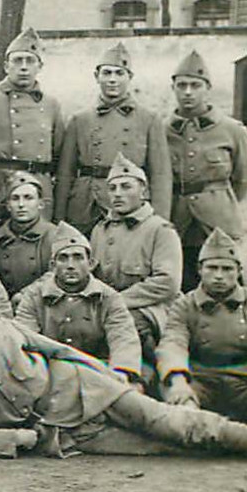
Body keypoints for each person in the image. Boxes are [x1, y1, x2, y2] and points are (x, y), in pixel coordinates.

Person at [0, 274, 247, 458]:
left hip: (90, 389)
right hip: (61, 434)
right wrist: (15, 438)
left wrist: (107, 374)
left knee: (171, 423)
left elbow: (60, 352)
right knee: (164, 448)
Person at [55, 42, 172, 235]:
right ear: (96, 76)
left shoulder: (149, 119)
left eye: (119, 73)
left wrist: (160, 221)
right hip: (87, 203)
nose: (112, 79)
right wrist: (59, 218)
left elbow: (160, 175)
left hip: (131, 203)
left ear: (130, 77)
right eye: (106, 73)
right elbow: (65, 174)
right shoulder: (79, 120)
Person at [0, 27, 65, 234]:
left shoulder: (52, 105)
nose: (23, 67)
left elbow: (59, 153)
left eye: (29, 61)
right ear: (6, 65)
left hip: (36, 190)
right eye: (17, 61)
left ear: (40, 66)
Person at [166, 50, 247, 289]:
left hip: (218, 219)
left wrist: (217, 198)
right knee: (180, 283)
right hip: (177, 219)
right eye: (181, 85)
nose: (187, 92)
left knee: (225, 283)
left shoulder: (232, 130)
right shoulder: (162, 130)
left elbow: (244, 178)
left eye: (195, 85)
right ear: (172, 88)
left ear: (208, 88)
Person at [13, 224, 141, 384]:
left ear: (91, 263)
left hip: (98, 374)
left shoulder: (108, 297)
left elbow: (123, 337)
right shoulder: (34, 296)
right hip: (49, 375)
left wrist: (121, 372)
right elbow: (24, 338)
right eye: (63, 258)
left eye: (78, 257)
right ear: (53, 266)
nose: (71, 265)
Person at [158, 229, 247, 425]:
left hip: (246, 383)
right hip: (201, 381)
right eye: (212, 268)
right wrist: (178, 379)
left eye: (227, 269)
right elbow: (173, 342)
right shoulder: (184, 305)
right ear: (199, 270)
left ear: (239, 272)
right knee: (176, 397)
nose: (219, 276)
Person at [90, 152, 182, 365]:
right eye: (112, 188)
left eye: (126, 187)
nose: (117, 194)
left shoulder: (160, 230)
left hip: (151, 310)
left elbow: (167, 283)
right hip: (109, 307)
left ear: (144, 191)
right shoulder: (99, 230)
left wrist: (117, 303)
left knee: (129, 324)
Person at [0, 172, 58, 300]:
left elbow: (57, 276)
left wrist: (25, 295)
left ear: (41, 204)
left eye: (28, 198)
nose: (21, 205)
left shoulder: (56, 237)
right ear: (8, 206)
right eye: (15, 198)